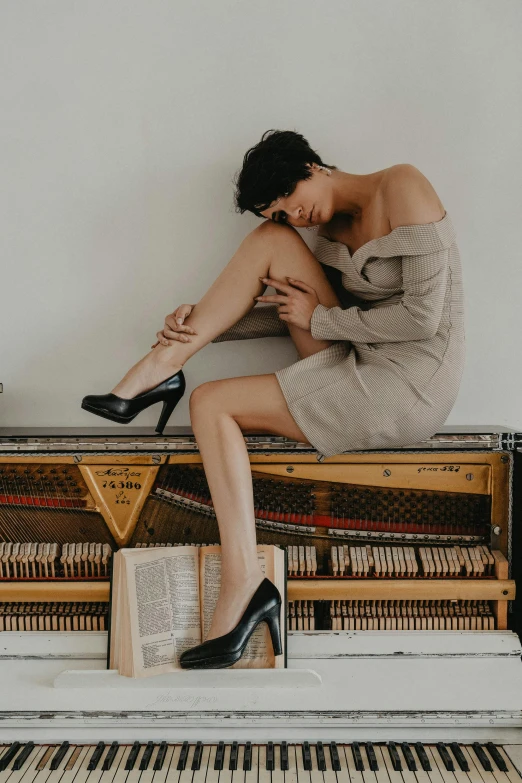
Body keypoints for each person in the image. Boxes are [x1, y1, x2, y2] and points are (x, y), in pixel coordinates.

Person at [81, 129, 465, 668]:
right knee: (269, 243)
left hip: (410, 384)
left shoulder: (402, 186)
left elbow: (422, 319)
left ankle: (242, 582)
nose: (291, 214)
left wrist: (321, 319)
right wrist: (203, 321)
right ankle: (165, 361)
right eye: (279, 209)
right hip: (355, 361)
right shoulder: (321, 228)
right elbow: (295, 312)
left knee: (211, 402)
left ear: (312, 166)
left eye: (287, 197)